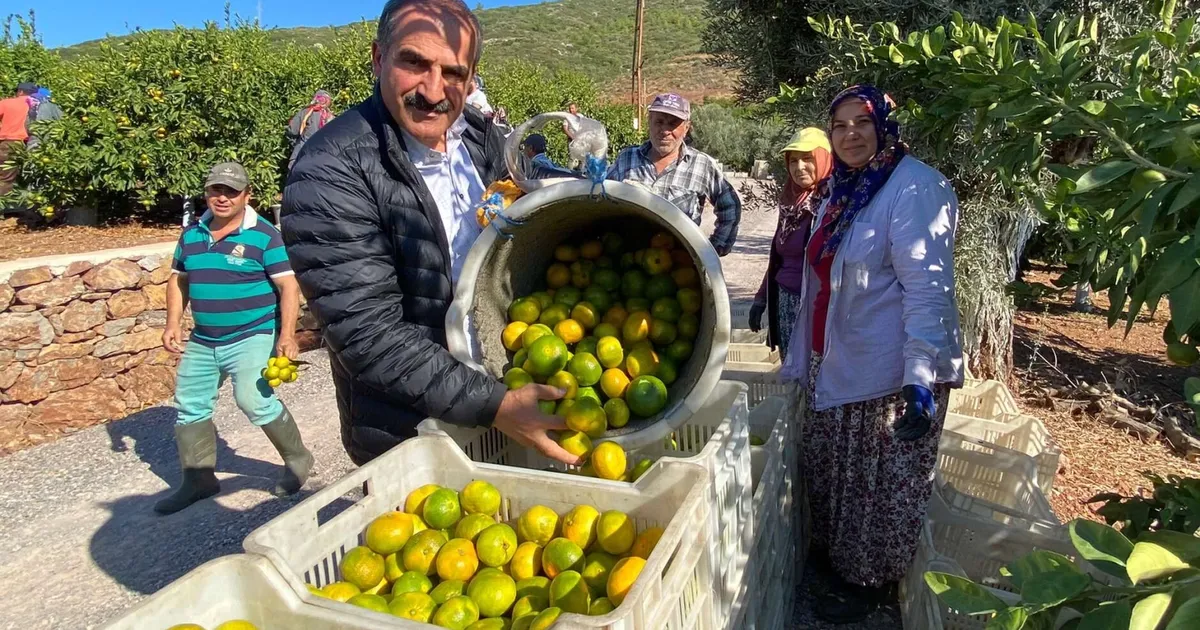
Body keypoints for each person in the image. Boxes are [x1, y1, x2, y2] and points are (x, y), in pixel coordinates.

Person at [281, 0, 580, 467]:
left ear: (472, 76)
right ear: (379, 58)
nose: (433, 89)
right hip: (411, 428)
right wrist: (494, 404)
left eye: (453, 72)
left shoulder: (480, 137)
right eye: (414, 62)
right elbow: (366, 332)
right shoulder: (331, 169)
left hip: (507, 391)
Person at [779, 85, 963, 623]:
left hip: (890, 369)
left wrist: (920, 378)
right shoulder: (844, 188)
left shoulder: (915, 188)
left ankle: (869, 587)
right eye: (839, 125)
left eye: (862, 122)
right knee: (835, 472)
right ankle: (839, 565)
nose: (850, 134)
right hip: (835, 356)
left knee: (878, 485)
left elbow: (928, 291)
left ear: (884, 124)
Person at [156, 161, 313, 515]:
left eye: (231, 191)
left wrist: (287, 335)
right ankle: (199, 479)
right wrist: (172, 324)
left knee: (252, 399)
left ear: (247, 195)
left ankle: (297, 459)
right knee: (189, 405)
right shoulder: (192, 234)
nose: (222, 198)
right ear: (206, 192)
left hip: (251, 333)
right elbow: (178, 280)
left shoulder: (264, 235)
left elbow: (288, 286)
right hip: (205, 337)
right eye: (216, 190)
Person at [607, 93, 741, 256]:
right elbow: (601, 198)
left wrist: (712, 251)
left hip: (679, 265)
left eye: (673, 124)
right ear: (649, 122)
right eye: (659, 122)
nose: (665, 130)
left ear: (686, 128)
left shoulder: (701, 164)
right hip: (627, 260)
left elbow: (730, 205)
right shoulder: (626, 159)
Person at [748, 127, 833, 358]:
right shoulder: (790, 202)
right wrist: (762, 299)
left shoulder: (832, 204)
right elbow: (778, 257)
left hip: (816, 307)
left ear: (824, 158)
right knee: (793, 376)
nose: (799, 167)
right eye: (793, 160)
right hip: (785, 302)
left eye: (808, 158)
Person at [0, 83, 36, 197]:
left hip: (8, 142)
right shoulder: (35, 104)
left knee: (5, 177)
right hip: (27, 143)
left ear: (20, 91)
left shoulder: (6, 103)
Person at [286, 90, 335, 171]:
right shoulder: (332, 118)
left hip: (301, 154)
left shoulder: (307, 112)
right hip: (321, 160)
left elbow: (292, 131)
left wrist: (293, 142)